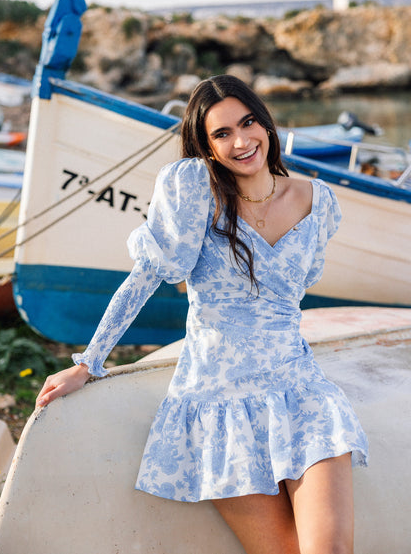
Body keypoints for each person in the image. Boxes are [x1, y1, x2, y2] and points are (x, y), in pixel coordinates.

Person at [36, 75, 368, 554]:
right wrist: (88, 362)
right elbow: (147, 277)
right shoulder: (195, 195)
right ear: (207, 147)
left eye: (248, 123)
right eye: (222, 133)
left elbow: (303, 282)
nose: (241, 141)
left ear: (266, 124)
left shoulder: (317, 200)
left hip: (300, 394)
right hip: (218, 404)